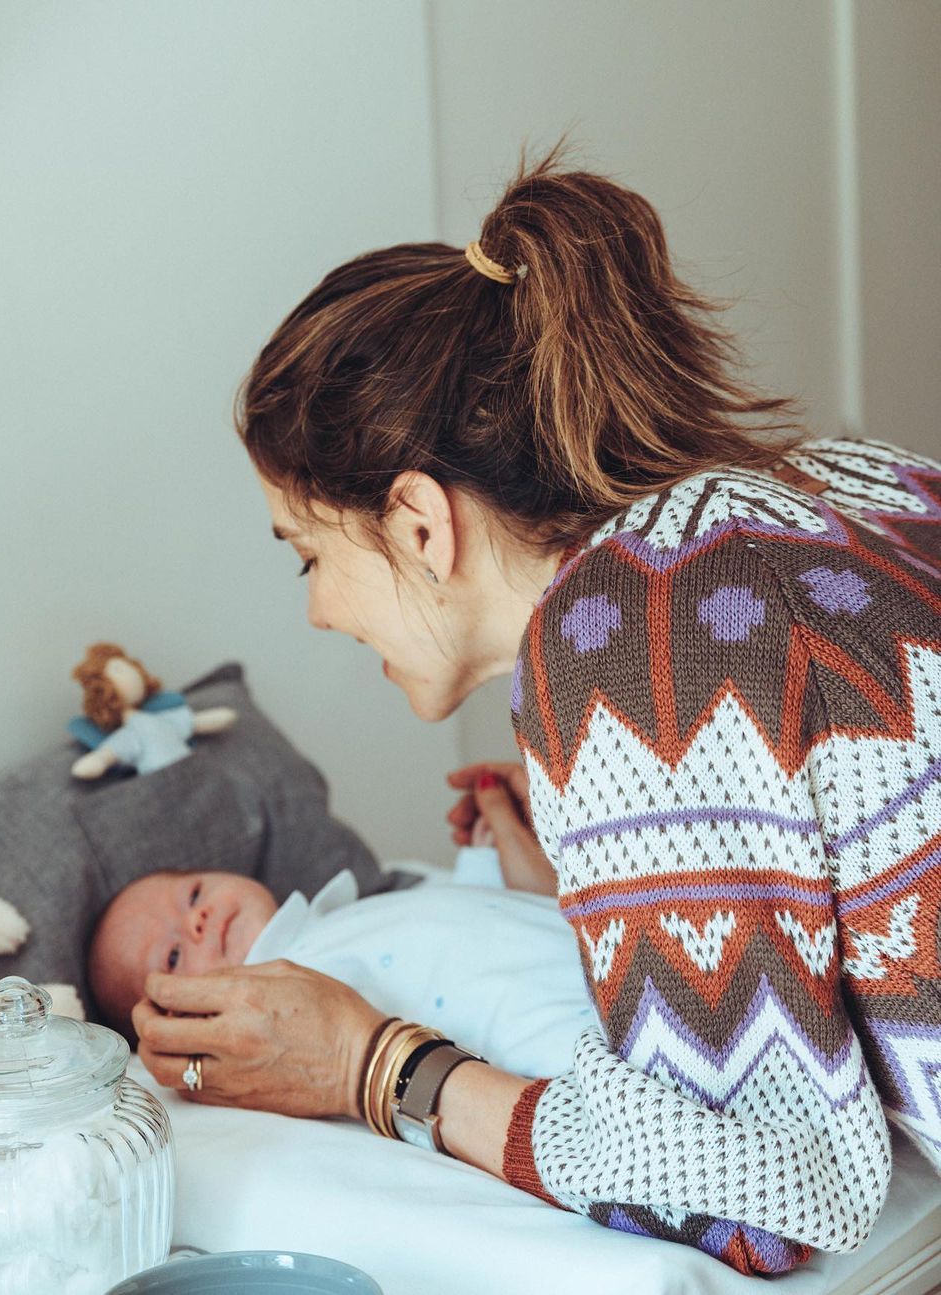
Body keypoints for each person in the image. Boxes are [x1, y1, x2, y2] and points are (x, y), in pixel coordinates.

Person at [132, 136, 941, 1274]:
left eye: (306, 554)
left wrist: (379, 1064)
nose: (317, 611)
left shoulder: (628, 644)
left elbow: (768, 1192)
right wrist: (617, 864)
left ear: (417, 522)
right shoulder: (846, 481)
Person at [89, 822, 592, 1081]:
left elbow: (451, 924)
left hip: (585, 945)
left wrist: (482, 864)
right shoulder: (285, 1002)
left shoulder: (335, 917)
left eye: (194, 895)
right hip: (554, 1030)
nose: (197, 920)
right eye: (174, 956)